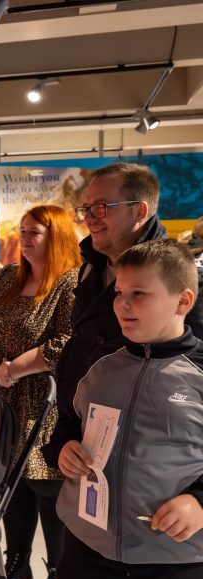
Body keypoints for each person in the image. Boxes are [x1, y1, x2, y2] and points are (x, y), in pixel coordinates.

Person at [55, 239, 203, 579]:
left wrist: (199, 502)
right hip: (87, 550)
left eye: (139, 293)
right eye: (119, 292)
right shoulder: (96, 362)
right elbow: (67, 424)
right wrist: (63, 448)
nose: (121, 304)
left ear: (182, 301)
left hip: (175, 561)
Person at [0, 204, 81, 579]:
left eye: (34, 233)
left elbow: (65, 342)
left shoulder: (70, 281)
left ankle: (60, 573)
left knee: (45, 483)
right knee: (10, 482)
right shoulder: (8, 276)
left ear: (56, 235)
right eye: (22, 231)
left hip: (40, 396)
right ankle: (16, 563)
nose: (23, 239)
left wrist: (16, 369)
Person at [43, 163, 203, 471]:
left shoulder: (178, 279)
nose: (89, 218)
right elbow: (79, 352)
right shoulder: (91, 267)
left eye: (101, 208)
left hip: (154, 469)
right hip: (86, 450)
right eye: (86, 208)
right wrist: (66, 438)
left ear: (139, 210)